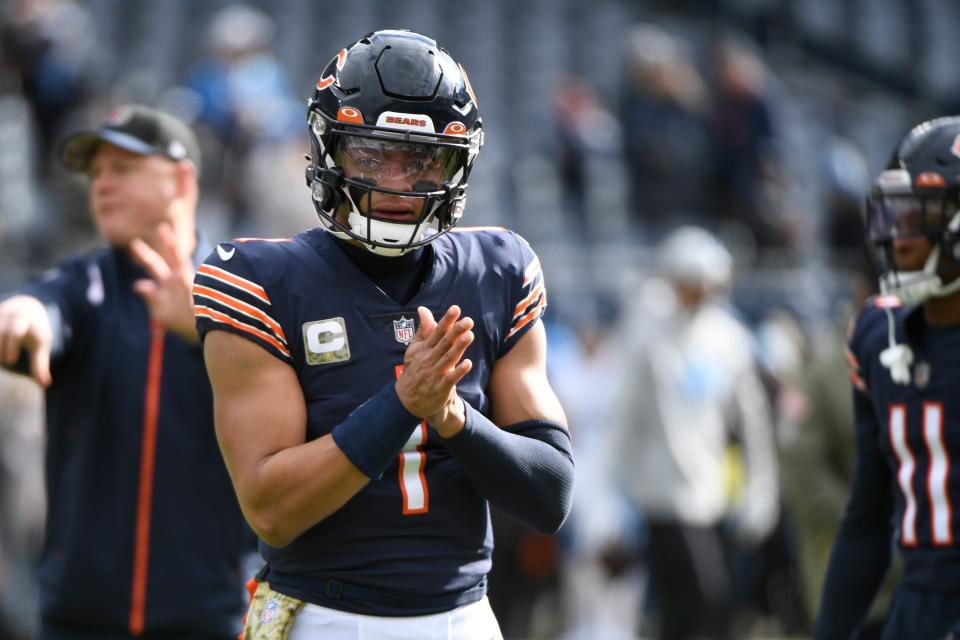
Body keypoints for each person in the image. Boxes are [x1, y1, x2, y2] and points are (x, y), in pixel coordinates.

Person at [193, 29, 574, 640]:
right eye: (370, 154)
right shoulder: (259, 279)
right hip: (323, 617)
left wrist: (452, 417)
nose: (397, 182)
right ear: (328, 150)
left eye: (423, 159)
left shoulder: (499, 270)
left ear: (459, 162)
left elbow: (549, 496)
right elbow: (272, 510)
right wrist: (401, 406)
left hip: (464, 618)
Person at [0, 104, 249, 639]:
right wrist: (22, 317)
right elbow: (40, 307)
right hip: (78, 618)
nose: (102, 186)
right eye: (96, 174)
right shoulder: (84, 282)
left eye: (123, 169)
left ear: (182, 178)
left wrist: (203, 331)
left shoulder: (242, 291)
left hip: (212, 617)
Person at [815, 116, 960, 640]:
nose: (900, 236)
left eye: (921, 216)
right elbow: (867, 520)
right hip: (917, 610)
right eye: (895, 213)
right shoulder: (879, 333)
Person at [607, 226, 779, 640]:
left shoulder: (729, 340)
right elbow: (627, 419)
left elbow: (752, 425)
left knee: (694, 611)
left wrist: (761, 490)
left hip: (714, 496)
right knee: (703, 600)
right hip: (663, 498)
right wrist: (613, 497)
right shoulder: (649, 339)